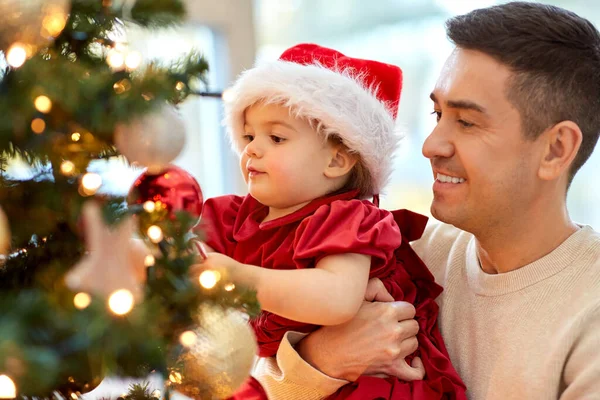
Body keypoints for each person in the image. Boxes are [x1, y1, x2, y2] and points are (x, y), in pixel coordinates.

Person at [250, 2, 600, 399]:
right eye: (437, 114)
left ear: (556, 149)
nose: (431, 145)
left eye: (466, 122)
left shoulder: (591, 315)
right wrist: (323, 359)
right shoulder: (401, 257)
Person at [196, 43, 466, 399]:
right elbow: (174, 251)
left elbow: (336, 300)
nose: (252, 149)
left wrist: (234, 276)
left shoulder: (348, 220)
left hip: (376, 388)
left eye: (276, 138)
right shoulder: (235, 217)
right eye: (248, 136)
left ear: (337, 162)